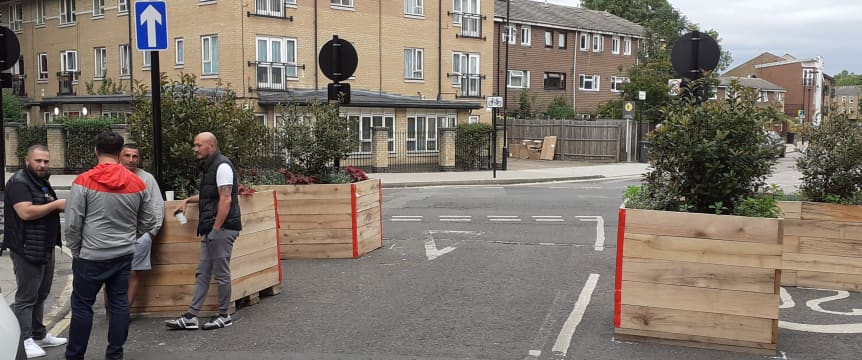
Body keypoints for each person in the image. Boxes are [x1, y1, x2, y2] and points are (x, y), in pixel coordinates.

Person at [64, 132, 158, 360]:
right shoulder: (137, 182)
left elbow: (73, 223)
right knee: (119, 304)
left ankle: (75, 356)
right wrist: (130, 236)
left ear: (96, 150)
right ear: (119, 153)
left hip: (91, 255)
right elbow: (149, 220)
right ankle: (114, 355)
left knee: (82, 307)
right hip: (123, 253)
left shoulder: (83, 181)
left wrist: (76, 250)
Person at [166, 132, 242, 331]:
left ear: (212, 147)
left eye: (199, 145)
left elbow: (226, 199)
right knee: (203, 272)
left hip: (222, 229)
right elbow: (212, 194)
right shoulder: (211, 167)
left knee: (221, 273)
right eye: (195, 145)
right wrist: (187, 200)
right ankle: (191, 316)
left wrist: (216, 229)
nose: (195, 149)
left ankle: (224, 315)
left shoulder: (222, 166)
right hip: (211, 228)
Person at [3, 145, 67, 359]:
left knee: (41, 294)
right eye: (38, 161)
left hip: (44, 246)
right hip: (26, 248)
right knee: (26, 296)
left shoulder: (40, 181)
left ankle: (39, 334)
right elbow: (26, 212)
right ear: (27, 161)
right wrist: (57, 204)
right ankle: (25, 339)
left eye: (46, 161)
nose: (43, 165)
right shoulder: (19, 182)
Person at [102, 143, 165, 310]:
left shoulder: (147, 179)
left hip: (140, 236)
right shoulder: (110, 175)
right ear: (119, 157)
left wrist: (151, 234)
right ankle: (110, 310)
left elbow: (157, 206)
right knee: (110, 274)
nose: (131, 160)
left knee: (133, 273)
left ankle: (124, 312)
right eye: (127, 155)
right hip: (113, 235)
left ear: (139, 159)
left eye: (134, 156)